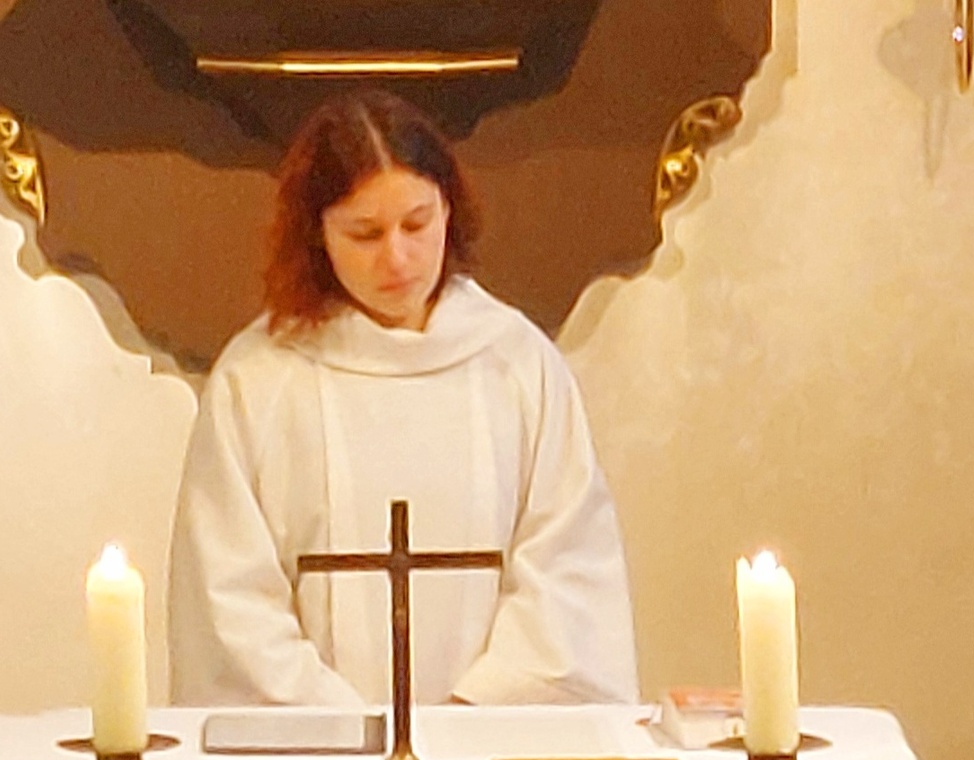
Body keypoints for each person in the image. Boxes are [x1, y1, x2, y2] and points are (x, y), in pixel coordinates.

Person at [169, 93, 638, 709]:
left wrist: (464, 722)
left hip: (487, 752)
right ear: (318, 237)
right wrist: (354, 734)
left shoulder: (516, 364)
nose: (397, 258)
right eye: (364, 233)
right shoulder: (258, 381)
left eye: (417, 223)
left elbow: (568, 576)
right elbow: (230, 605)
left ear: (450, 208)